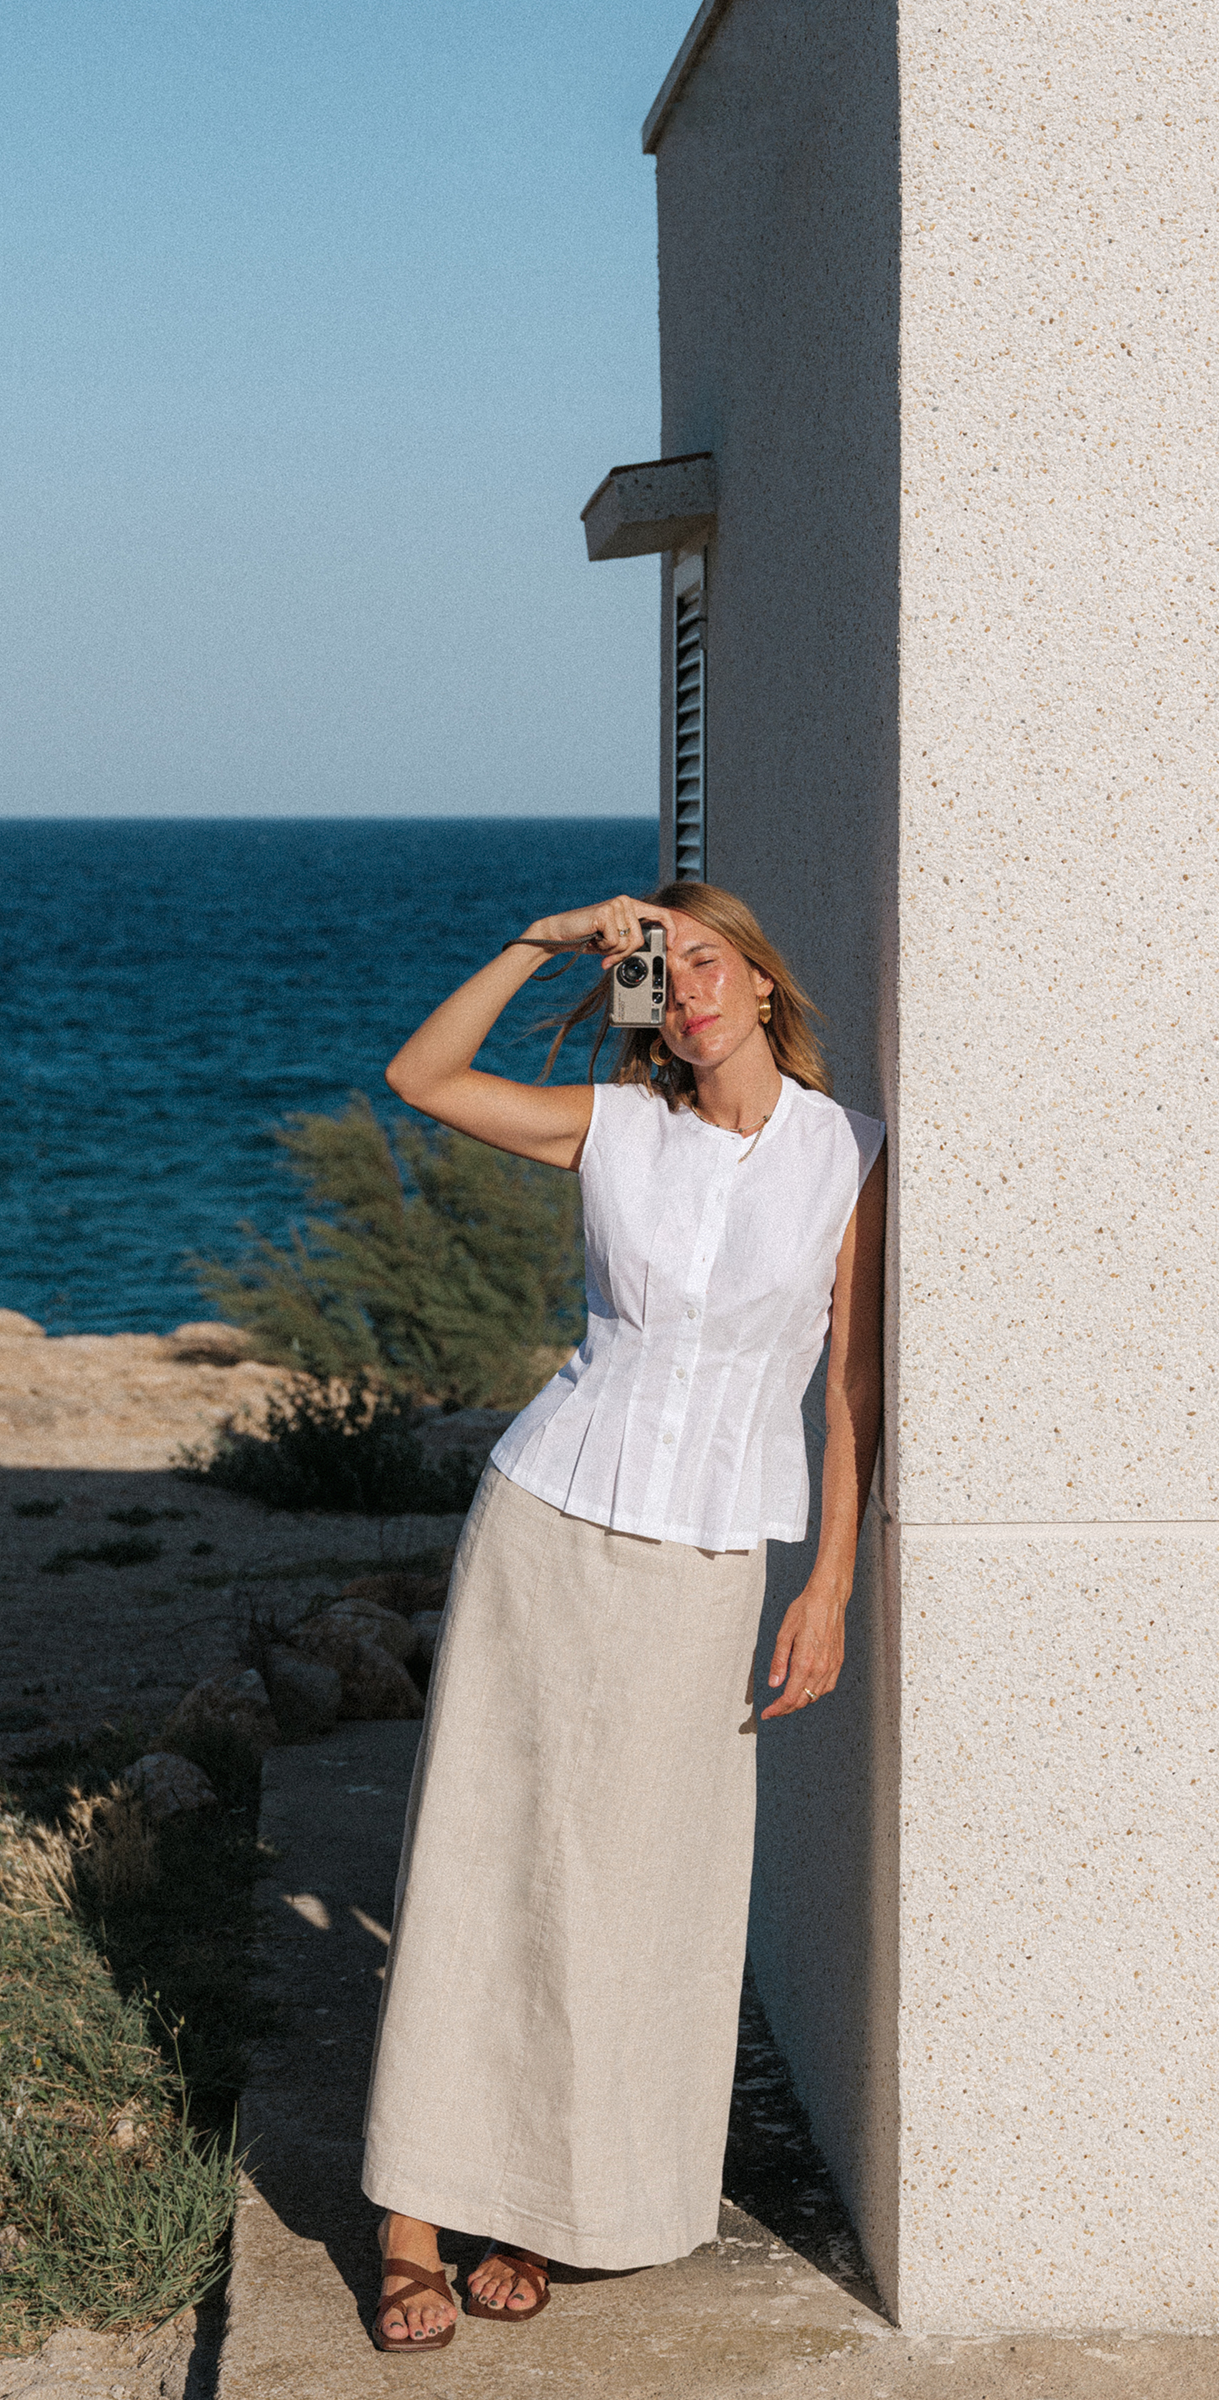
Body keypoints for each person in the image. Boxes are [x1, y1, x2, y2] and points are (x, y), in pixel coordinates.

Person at [360, 880, 885, 2354]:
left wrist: (829, 1583)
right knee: (478, 1855)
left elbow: (851, 1393)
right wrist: (540, 942)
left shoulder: (849, 1156)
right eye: (668, 967)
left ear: (766, 986)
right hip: (543, 1522)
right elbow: (420, 1080)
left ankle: (537, 2202)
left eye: (712, 962)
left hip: (709, 1560)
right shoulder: (613, 1124)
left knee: (634, 1886)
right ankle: (410, 2212)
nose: (694, 989)